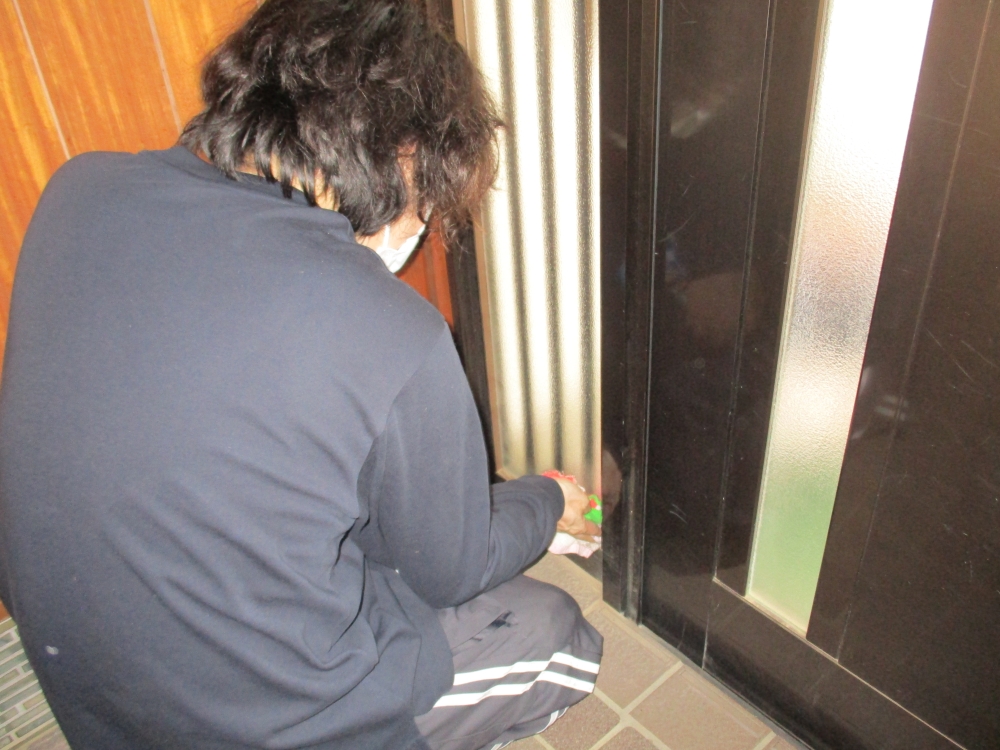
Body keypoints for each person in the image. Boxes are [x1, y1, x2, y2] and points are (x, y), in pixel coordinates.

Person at [0, 1, 602, 749]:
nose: (421, 228)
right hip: (268, 729)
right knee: (558, 634)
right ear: (405, 153)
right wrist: (547, 499)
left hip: (95, 698)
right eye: (428, 200)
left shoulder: (80, 189)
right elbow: (449, 570)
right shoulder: (389, 328)